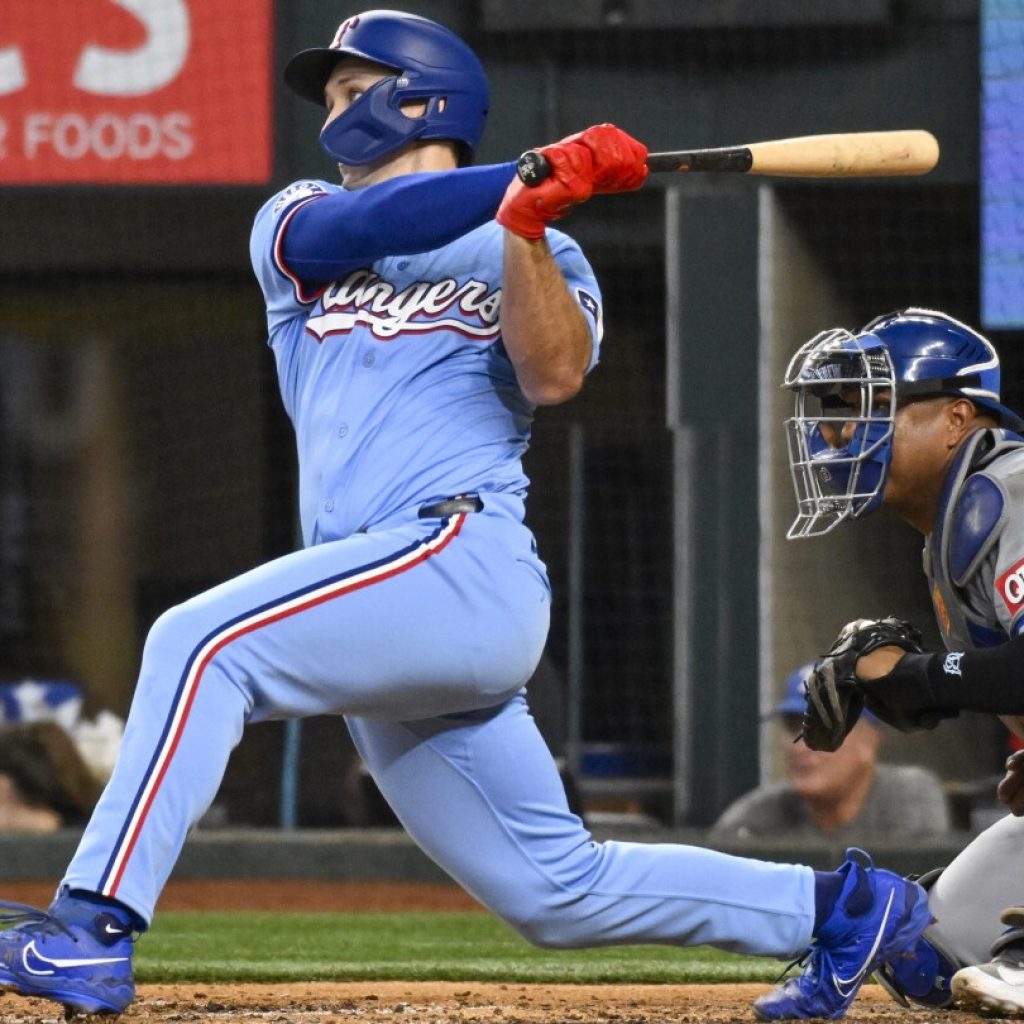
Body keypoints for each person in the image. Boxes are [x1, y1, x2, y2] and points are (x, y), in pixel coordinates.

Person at [0, 11, 931, 1020]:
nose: (333, 113)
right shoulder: (298, 221)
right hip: (378, 592)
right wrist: (525, 179)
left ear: (423, 98)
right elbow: (367, 226)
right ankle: (848, 908)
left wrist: (528, 222)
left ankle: (91, 928)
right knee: (553, 889)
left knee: (198, 642)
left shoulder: (539, 247)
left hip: (457, 558)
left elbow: (557, 371)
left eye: (354, 91)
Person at [778, 306, 1024, 1017]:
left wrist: (913, 676)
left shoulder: (1010, 487)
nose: (845, 432)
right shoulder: (949, 531)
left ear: (956, 419)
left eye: (875, 408)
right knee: (928, 958)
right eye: (844, 413)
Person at [709, 663, 951, 844]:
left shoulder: (906, 795)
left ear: (868, 742)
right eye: (793, 726)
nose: (801, 746)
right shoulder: (755, 819)